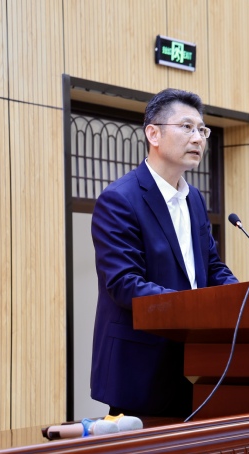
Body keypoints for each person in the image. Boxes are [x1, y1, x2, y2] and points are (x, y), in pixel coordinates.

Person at [90, 88, 238, 418]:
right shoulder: (120, 200)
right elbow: (125, 284)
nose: (198, 138)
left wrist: (244, 300)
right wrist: (196, 309)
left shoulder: (194, 199)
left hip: (198, 366)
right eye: (186, 127)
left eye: (202, 130)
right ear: (153, 134)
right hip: (141, 371)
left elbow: (212, 268)